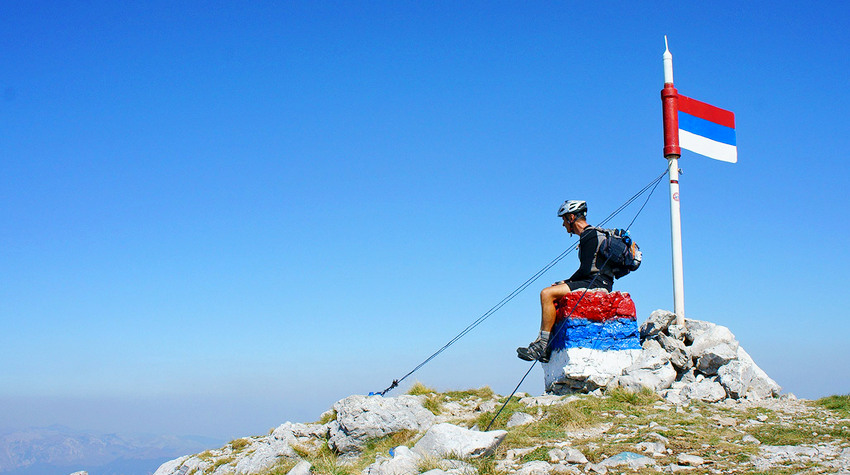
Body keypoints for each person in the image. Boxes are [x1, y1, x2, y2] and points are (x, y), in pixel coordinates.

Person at [516, 200, 614, 363]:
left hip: (595, 283)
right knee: (555, 295)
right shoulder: (592, 235)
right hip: (598, 281)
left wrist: (566, 281)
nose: (563, 225)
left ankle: (542, 345)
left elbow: (585, 270)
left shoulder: (588, 235)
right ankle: (547, 347)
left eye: (563, 220)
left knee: (546, 293)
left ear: (571, 217)